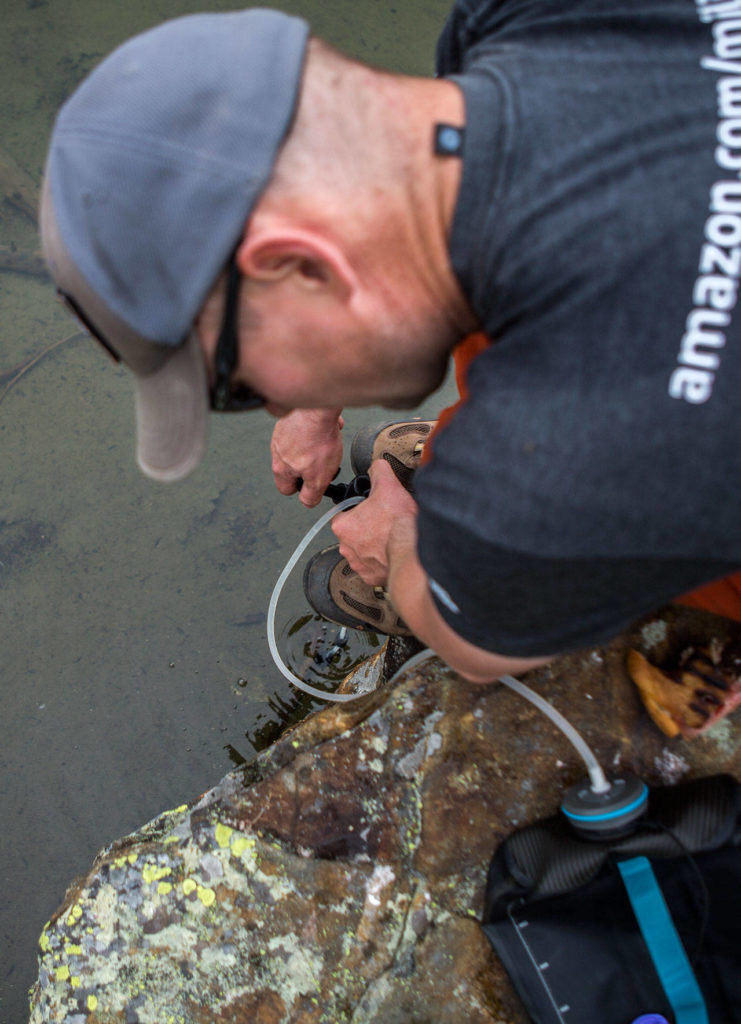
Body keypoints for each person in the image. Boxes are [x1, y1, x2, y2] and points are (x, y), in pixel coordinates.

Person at [41, 1, 741, 687]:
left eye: (241, 387)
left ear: (304, 265)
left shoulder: (596, 432)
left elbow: (477, 646)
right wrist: (317, 398)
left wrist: (403, 547)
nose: (272, 404)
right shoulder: (530, 18)